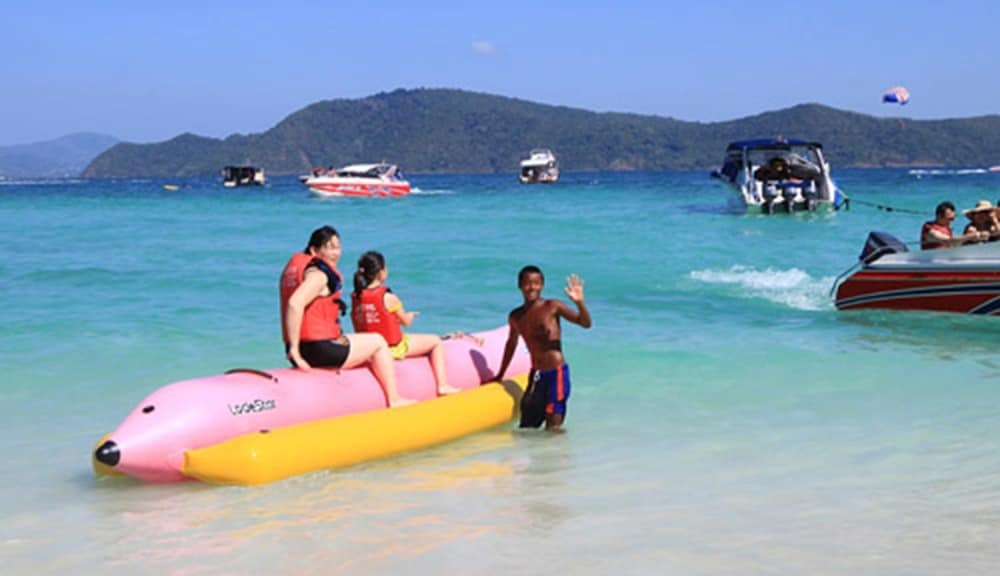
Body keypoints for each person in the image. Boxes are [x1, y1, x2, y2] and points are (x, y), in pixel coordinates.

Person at [280, 226, 415, 407]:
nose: (336, 253)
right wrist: (295, 351)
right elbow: (294, 304)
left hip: (309, 349)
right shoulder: (319, 276)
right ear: (314, 251)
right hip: (318, 351)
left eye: (337, 247)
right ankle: (394, 398)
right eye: (329, 248)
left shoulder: (301, 272)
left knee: (356, 340)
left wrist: (294, 348)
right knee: (378, 341)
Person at [494, 266, 592, 432]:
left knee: (553, 428)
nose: (532, 287)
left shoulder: (552, 306)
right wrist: (500, 374)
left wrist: (579, 303)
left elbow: (585, 323)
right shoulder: (516, 316)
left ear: (542, 285)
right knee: (526, 426)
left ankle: (558, 449)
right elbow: (511, 344)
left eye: (536, 283)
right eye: (527, 283)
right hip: (536, 375)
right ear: (520, 286)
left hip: (556, 374)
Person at [350, 250, 461, 396]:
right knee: (436, 341)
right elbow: (406, 322)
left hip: (368, 350)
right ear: (381, 272)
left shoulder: (356, 296)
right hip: (392, 349)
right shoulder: (388, 297)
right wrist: (411, 315)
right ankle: (442, 385)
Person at [920, 201, 987, 249]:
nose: (952, 221)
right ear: (939, 216)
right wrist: (969, 236)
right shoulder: (930, 229)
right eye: (950, 219)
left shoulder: (946, 228)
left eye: (953, 219)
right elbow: (949, 241)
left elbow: (953, 246)